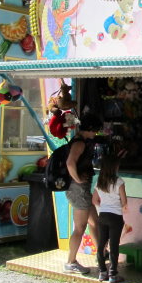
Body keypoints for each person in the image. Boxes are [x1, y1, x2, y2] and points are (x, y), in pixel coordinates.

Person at [63, 112, 103, 274]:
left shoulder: (80, 140)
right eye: (95, 130)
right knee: (80, 227)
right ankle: (71, 262)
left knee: (94, 222)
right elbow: (70, 163)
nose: (96, 133)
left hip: (82, 189)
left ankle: (101, 253)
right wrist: (78, 179)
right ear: (91, 128)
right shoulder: (79, 143)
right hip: (78, 189)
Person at [92, 153, 127, 283]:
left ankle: (102, 272)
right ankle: (113, 274)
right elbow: (124, 201)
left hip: (103, 216)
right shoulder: (119, 182)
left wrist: (102, 207)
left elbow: (94, 200)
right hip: (115, 217)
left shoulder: (99, 182)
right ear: (114, 167)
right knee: (114, 245)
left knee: (101, 244)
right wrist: (121, 207)